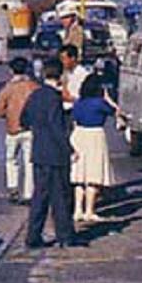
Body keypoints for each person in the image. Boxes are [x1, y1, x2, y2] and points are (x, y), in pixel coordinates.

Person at [20, 58, 77, 248]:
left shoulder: (35, 95)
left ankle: (33, 236)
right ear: (60, 76)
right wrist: (69, 149)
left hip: (39, 153)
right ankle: (65, 236)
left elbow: (23, 119)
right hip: (55, 155)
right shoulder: (54, 98)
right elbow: (56, 127)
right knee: (60, 198)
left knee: (40, 197)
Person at [70, 74, 117, 222]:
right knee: (93, 176)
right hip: (95, 136)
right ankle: (89, 210)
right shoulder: (100, 103)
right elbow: (116, 111)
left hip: (78, 135)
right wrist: (108, 98)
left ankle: (78, 210)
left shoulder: (79, 102)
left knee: (79, 177)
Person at [0, 57, 39, 204]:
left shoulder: (7, 88)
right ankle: (28, 193)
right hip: (31, 129)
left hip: (12, 129)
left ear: (11, 70)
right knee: (29, 162)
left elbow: (0, 111)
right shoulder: (33, 86)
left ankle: (13, 188)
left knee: (11, 160)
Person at [58, 44, 90, 112]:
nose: (62, 62)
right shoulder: (66, 73)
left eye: (64, 59)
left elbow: (75, 98)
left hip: (74, 109)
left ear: (73, 58)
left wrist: (64, 84)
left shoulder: (83, 75)